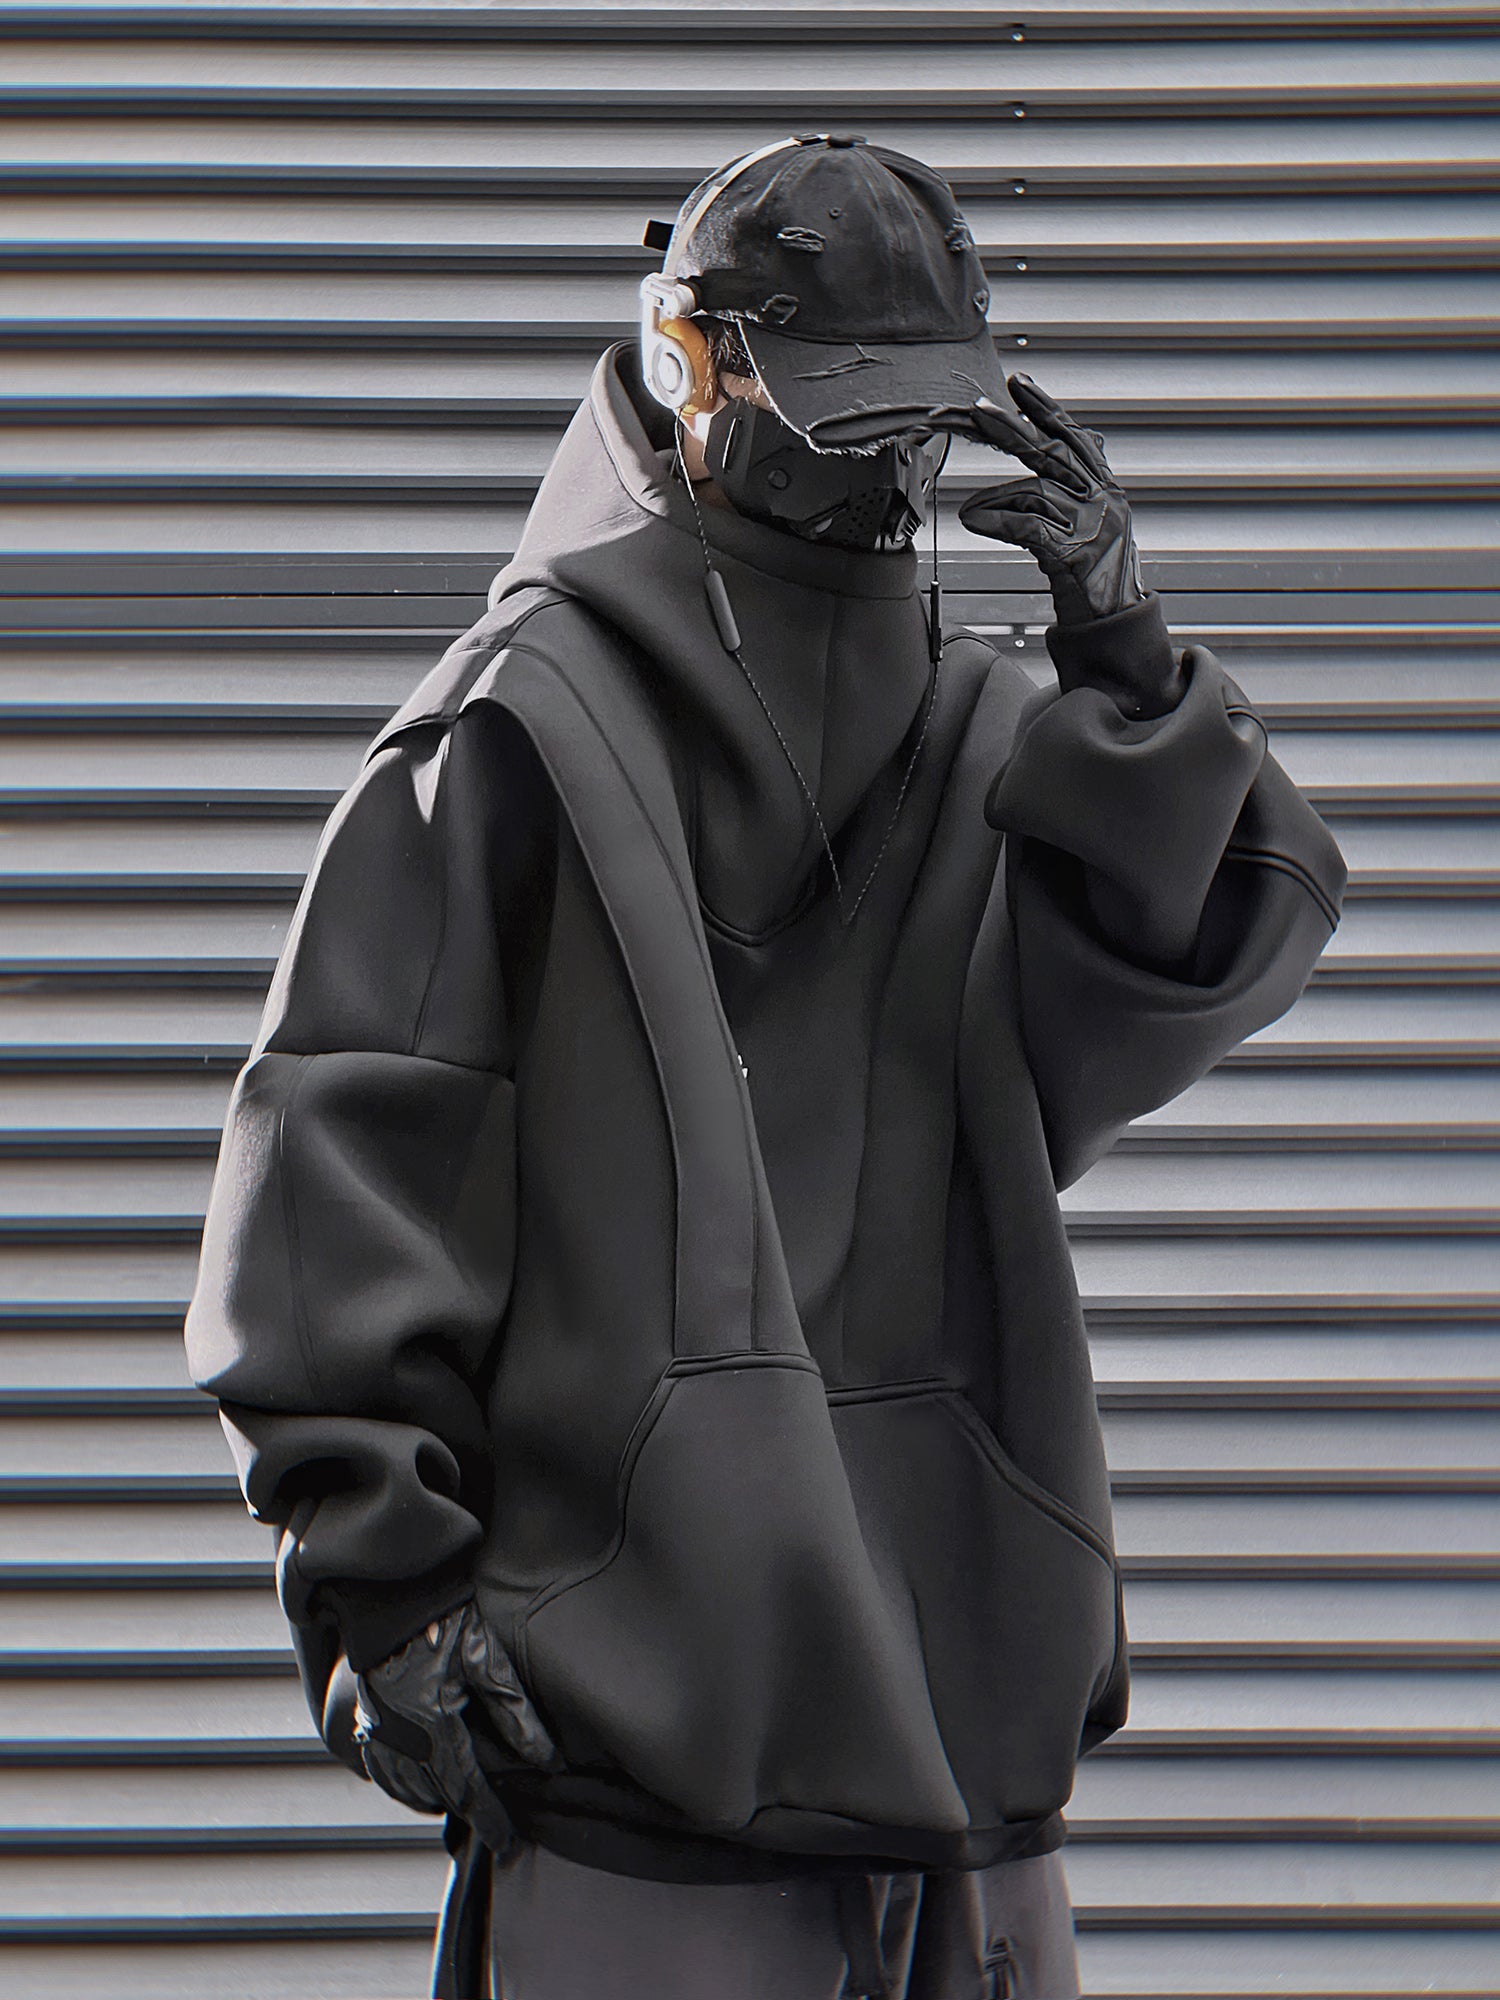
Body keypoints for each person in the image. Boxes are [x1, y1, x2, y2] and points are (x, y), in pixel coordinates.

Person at [184, 135, 1347, 2000]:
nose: (882, 472)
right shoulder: (518, 729)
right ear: (689, 367)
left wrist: (1128, 663)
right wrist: (382, 1576)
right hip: (640, 1779)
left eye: (917, 425)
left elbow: (1208, 956)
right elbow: (341, 1150)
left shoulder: (989, 723)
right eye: (834, 416)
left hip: (973, 1764)